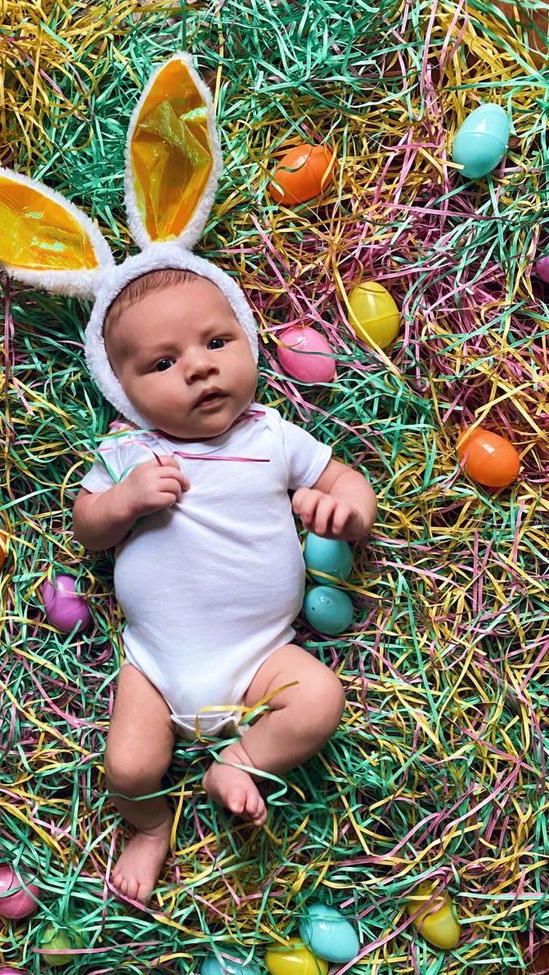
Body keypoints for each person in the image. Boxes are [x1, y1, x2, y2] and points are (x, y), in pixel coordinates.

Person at [72, 266, 377, 904]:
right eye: (161, 363)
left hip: (258, 654)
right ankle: (150, 829)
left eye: (216, 343)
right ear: (121, 387)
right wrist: (124, 501)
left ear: (247, 341)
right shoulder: (129, 452)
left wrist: (348, 514)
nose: (198, 369)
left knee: (320, 698)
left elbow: (348, 481)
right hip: (156, 662)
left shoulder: (272, 436)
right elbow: (87, 528)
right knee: (127, 769)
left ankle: (238, 763)